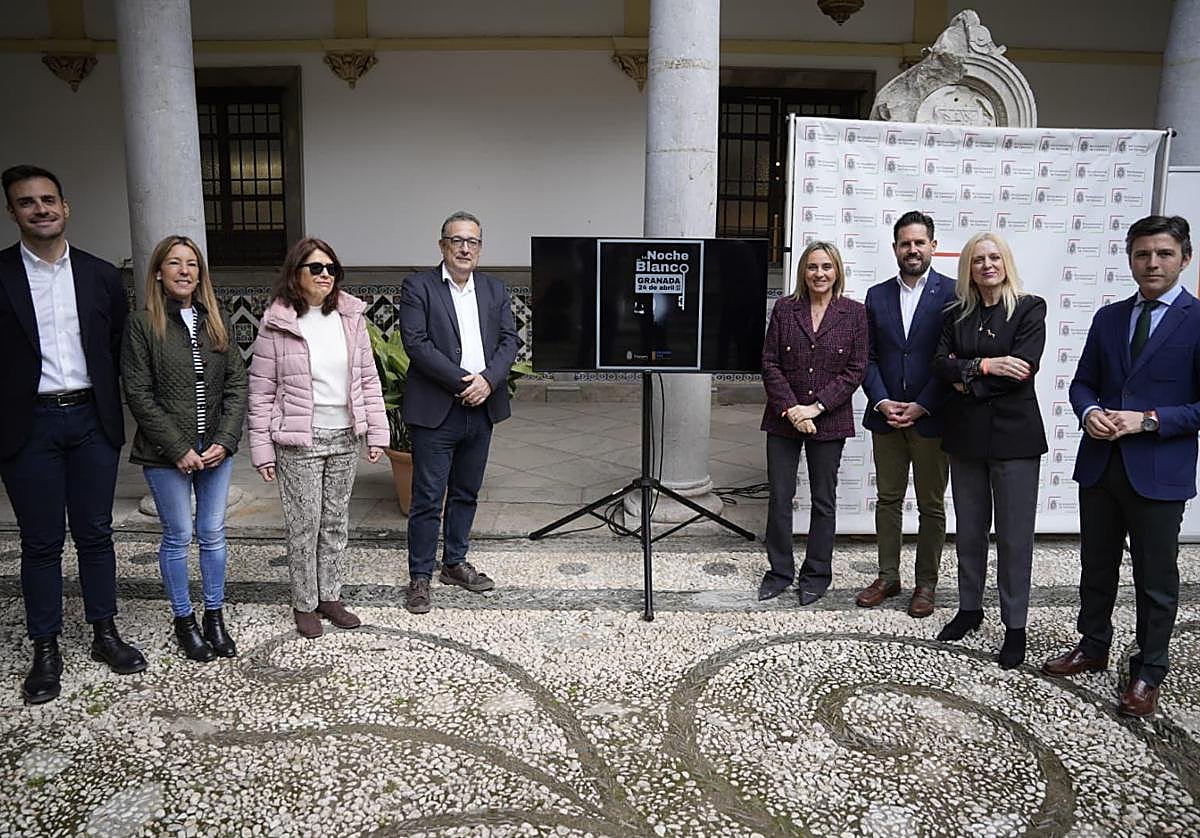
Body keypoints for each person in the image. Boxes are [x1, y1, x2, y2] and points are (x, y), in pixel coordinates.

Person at [1043, 215, 1200, 717]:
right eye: (1142, 254)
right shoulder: (1110, 318)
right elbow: (1082, 382)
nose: (1152, 263)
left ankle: (1149, 670)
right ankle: (1092, 646)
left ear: (1185, 258)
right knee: (1096, 565)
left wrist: (1149, 421)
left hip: (1158, 471)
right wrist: (1089, 414)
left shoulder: (1196, 320)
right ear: (1130, 258)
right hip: (1101, 465)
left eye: (1164, 253)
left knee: (1156, 577)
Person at [0, 165, 146, 704]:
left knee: (96, 533)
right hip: (27, 425)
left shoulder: (101, 274)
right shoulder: (1, 274)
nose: (40, 209)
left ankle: (106, 633)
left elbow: (114, 346)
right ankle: (46, 647)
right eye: (26, 202)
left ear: (66, 207)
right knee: (40, 542)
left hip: (90, 421)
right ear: (12, 212)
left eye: (48, 200)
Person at [247, 236, 388, 638]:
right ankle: (305, 602)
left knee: (334, 523)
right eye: (316, 268)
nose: (326, 275)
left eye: (331, 269)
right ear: (296, 273)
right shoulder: (278, 322)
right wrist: (262, 451)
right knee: (303, 524)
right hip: (299, 440)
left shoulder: (350, 317)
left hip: (344, 436)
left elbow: (367, 378)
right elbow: (261, 390)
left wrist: (376, 431)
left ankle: (330, 596)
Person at [121, 235, 247, 661]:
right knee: (178, 536)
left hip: (213, 449)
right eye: (174, 263)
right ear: (158, 272)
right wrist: (176, 448)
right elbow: (138, 392)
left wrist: (225, 441)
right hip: (165, 453)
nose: (184, 271)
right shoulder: (142, 324)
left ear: (200, 273)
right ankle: (184, 620)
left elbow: (236, 385)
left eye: (191, 264)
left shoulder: (218, 319)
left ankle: (214, 615)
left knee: (212, 533)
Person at [933, 231, 1047, 669]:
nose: (986, 265)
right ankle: (969, 609)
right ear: (968, 267)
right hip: (965, 439)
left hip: (1015, 441)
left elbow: (1022, 369)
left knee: (1015, 539)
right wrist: (983, 364)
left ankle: (1014, 626)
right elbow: (940, 365)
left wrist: (967, 381)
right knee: (969, 531)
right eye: (978, 259)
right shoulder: (955, 313)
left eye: (994, 257)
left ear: (1006, 262)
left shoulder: (1030, 308)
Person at [398, 211, 519, 614]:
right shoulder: (419, 287)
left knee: (467, 492)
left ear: (480, 248)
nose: (465, 248)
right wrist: (464, 382)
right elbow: (416, 343)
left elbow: (509, 341)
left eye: (473, 241)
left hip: (482, 408)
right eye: (457, 240)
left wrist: (488, 381)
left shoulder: (495, 289)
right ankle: (419, 575)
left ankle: (454, 562)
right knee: (428, 497)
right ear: (442, 245)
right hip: (437, 410)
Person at [857, 211, 956, 618]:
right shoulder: (876, 295)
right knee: (888, 499)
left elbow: (953, 358)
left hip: (931, 417)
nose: (912, 249)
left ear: (933, 245)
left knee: (932, 505)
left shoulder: (954, 294)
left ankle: (926, 584)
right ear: (895, 248)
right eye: (905, 243)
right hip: (886, 417)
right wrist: (881, 401)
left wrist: (923, 403)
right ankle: (888, 575)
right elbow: (867, 357)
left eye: (919, 242)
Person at [760, 240, 868, 606]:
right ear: (802, 272)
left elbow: (857, 369)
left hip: (829, 420)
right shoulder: (785, 309)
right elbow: (770, 362)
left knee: (824, 499)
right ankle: (779, 572)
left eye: (826, 267)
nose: (819, 274)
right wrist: (792, 409)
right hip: (783, 418)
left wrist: (816, 408)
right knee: (779, 496)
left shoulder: (854, 313)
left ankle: (817, 574)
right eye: (812, 267)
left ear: (837, 271)